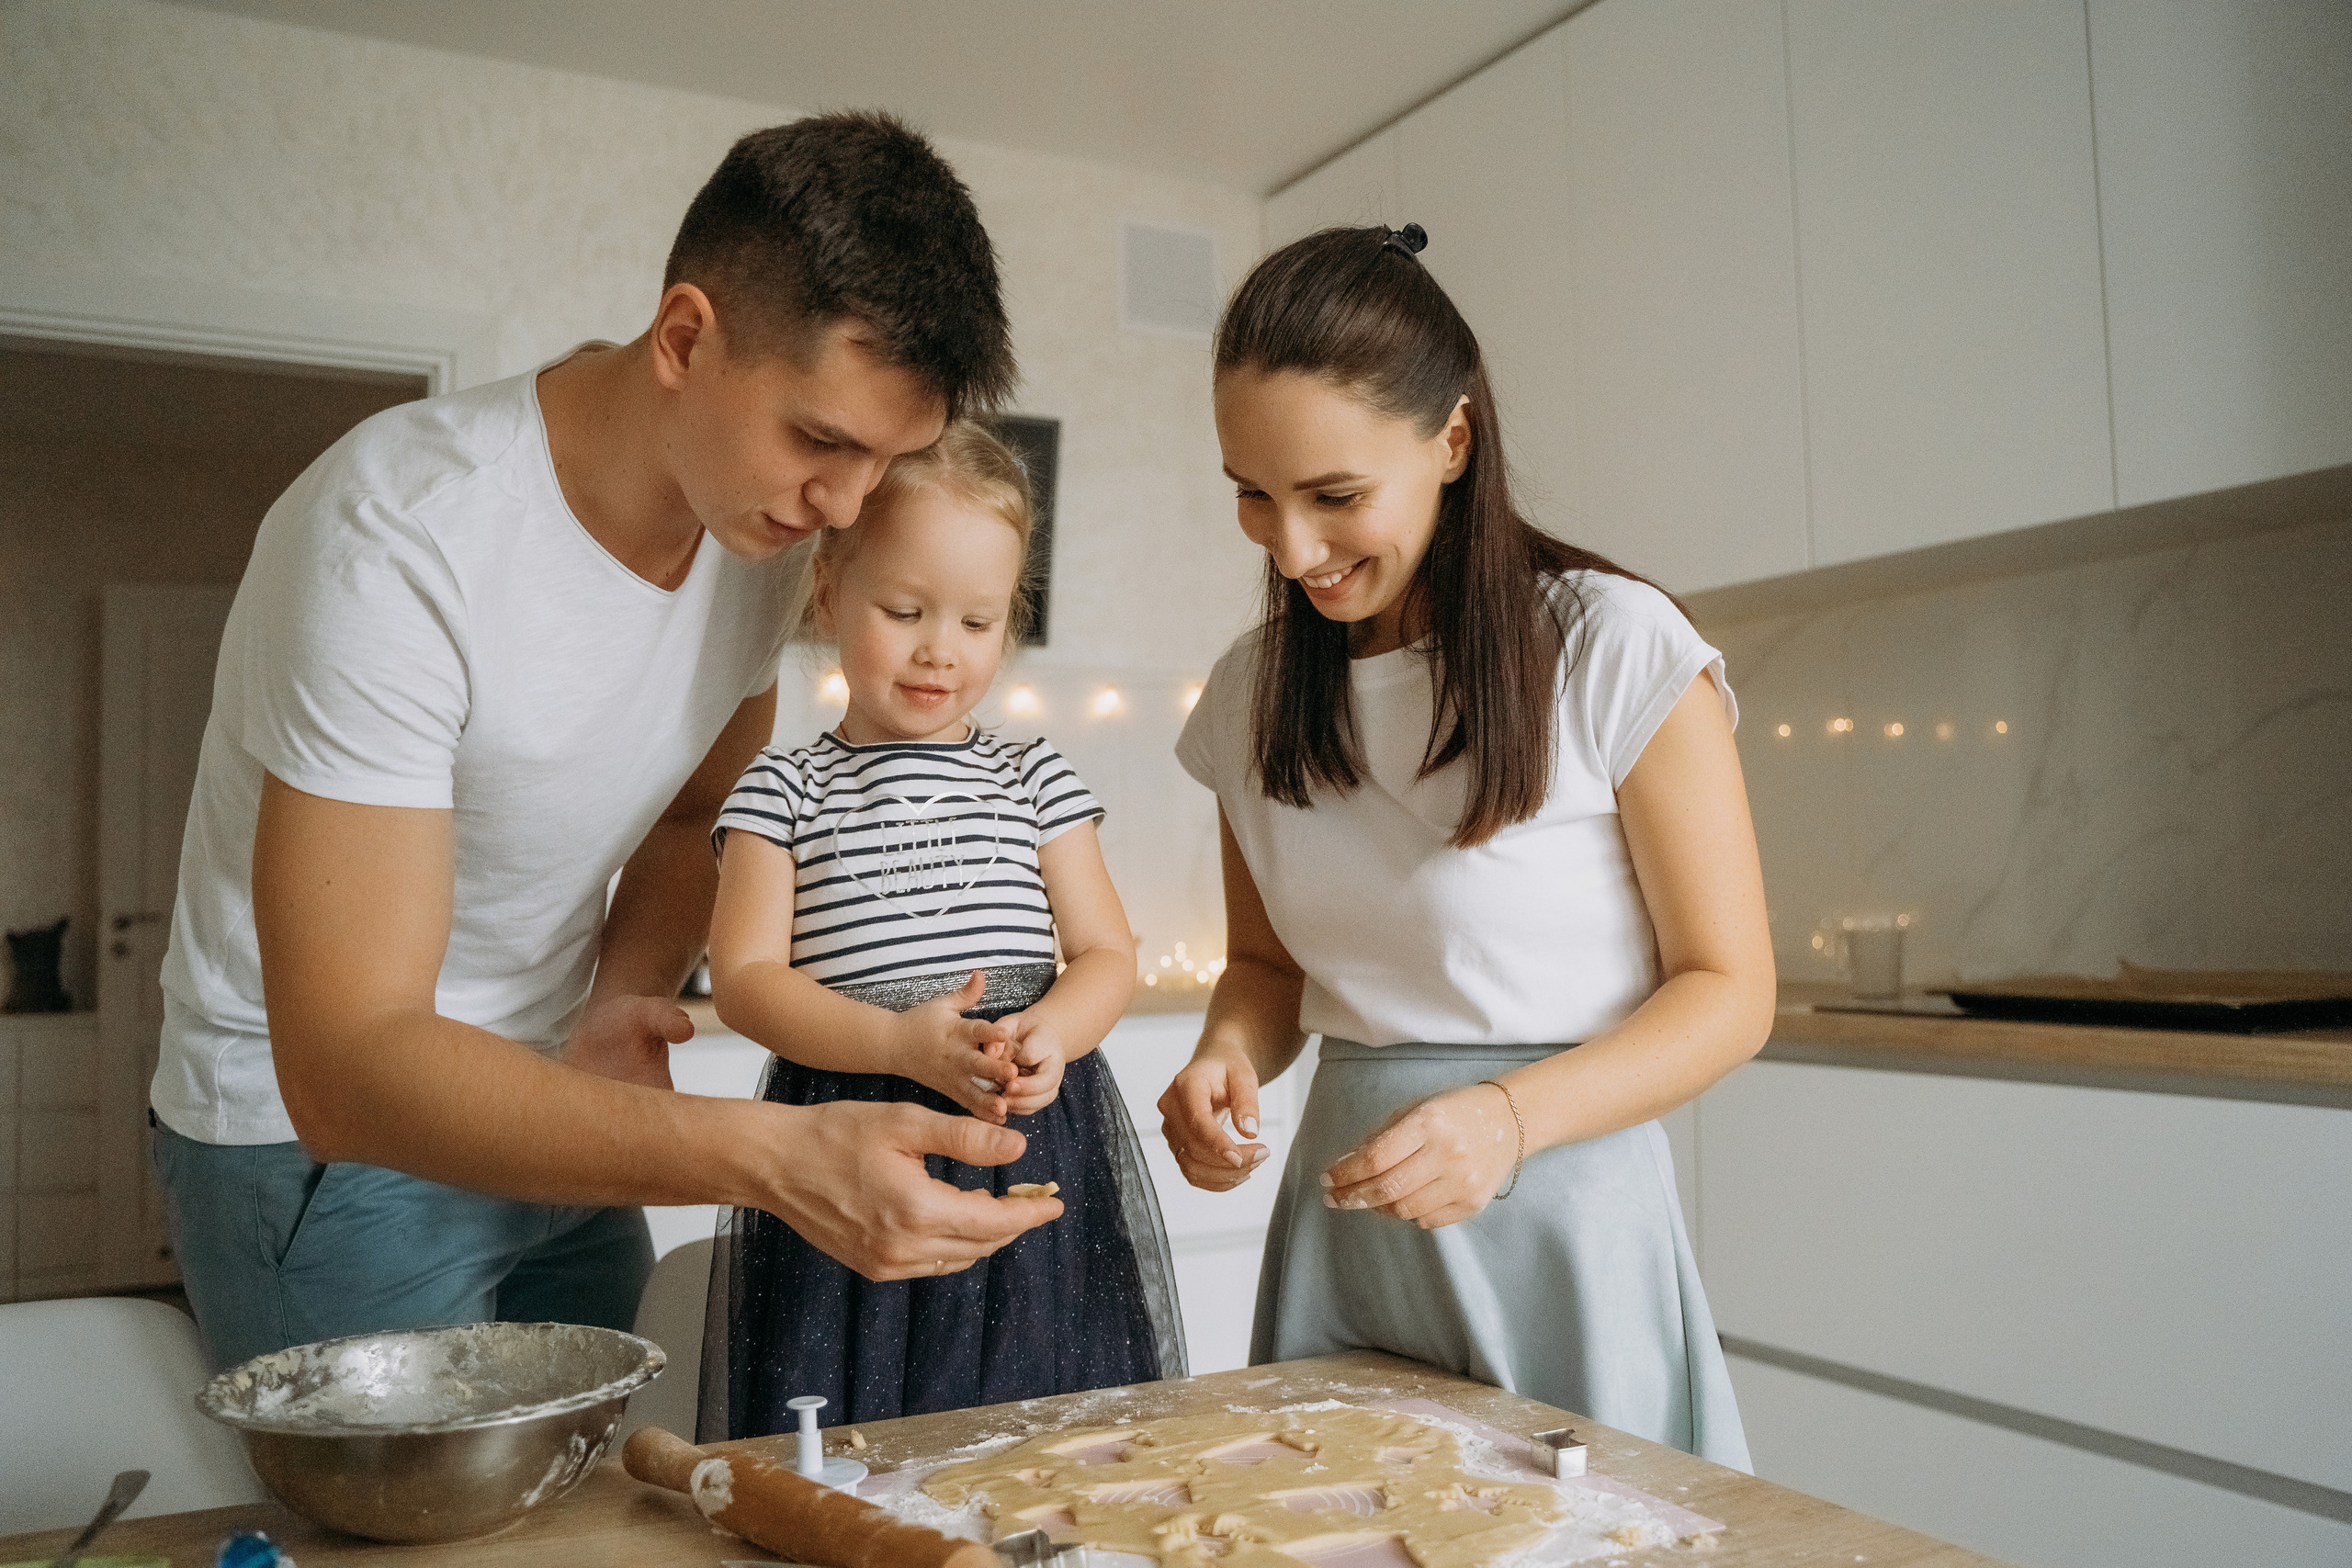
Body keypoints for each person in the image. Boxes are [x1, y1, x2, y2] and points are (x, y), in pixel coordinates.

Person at [149, 113, 1068, 1372]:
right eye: (821, 441)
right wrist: (780, 1158)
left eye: (887, 461)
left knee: (605, 1511)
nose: (845, 510)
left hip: (557, 1094)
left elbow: (702, 812)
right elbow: (348, 1062)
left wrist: (626, 993)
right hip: (313, 1142)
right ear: (686, 337)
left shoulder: (755, 539)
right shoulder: (394, 540)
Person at [1159, 224, 1771, 1468]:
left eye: (1334, 495)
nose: (1292, 549)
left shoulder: (1615, 647)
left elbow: (1731, 987)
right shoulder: (1249, 691)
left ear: (1452, 438)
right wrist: (1227, 1054)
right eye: (1252, 493)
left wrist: (1503, 1118)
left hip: (1562, 1213)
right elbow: (1269, 971)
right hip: (1349, 1227)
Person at [700, 423, 1181, 1438]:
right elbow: (743, 977)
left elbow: (1104, 954)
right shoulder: (782, 786)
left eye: (976, 620)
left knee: (1042, 1413)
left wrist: (1055, 1032)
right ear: (828, 592)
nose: (939, 649)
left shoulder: (1035, 774)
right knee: (857, 1421)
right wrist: (892, 1043)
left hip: (1024, 1121)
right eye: (904, 610)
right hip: (850, 1126)